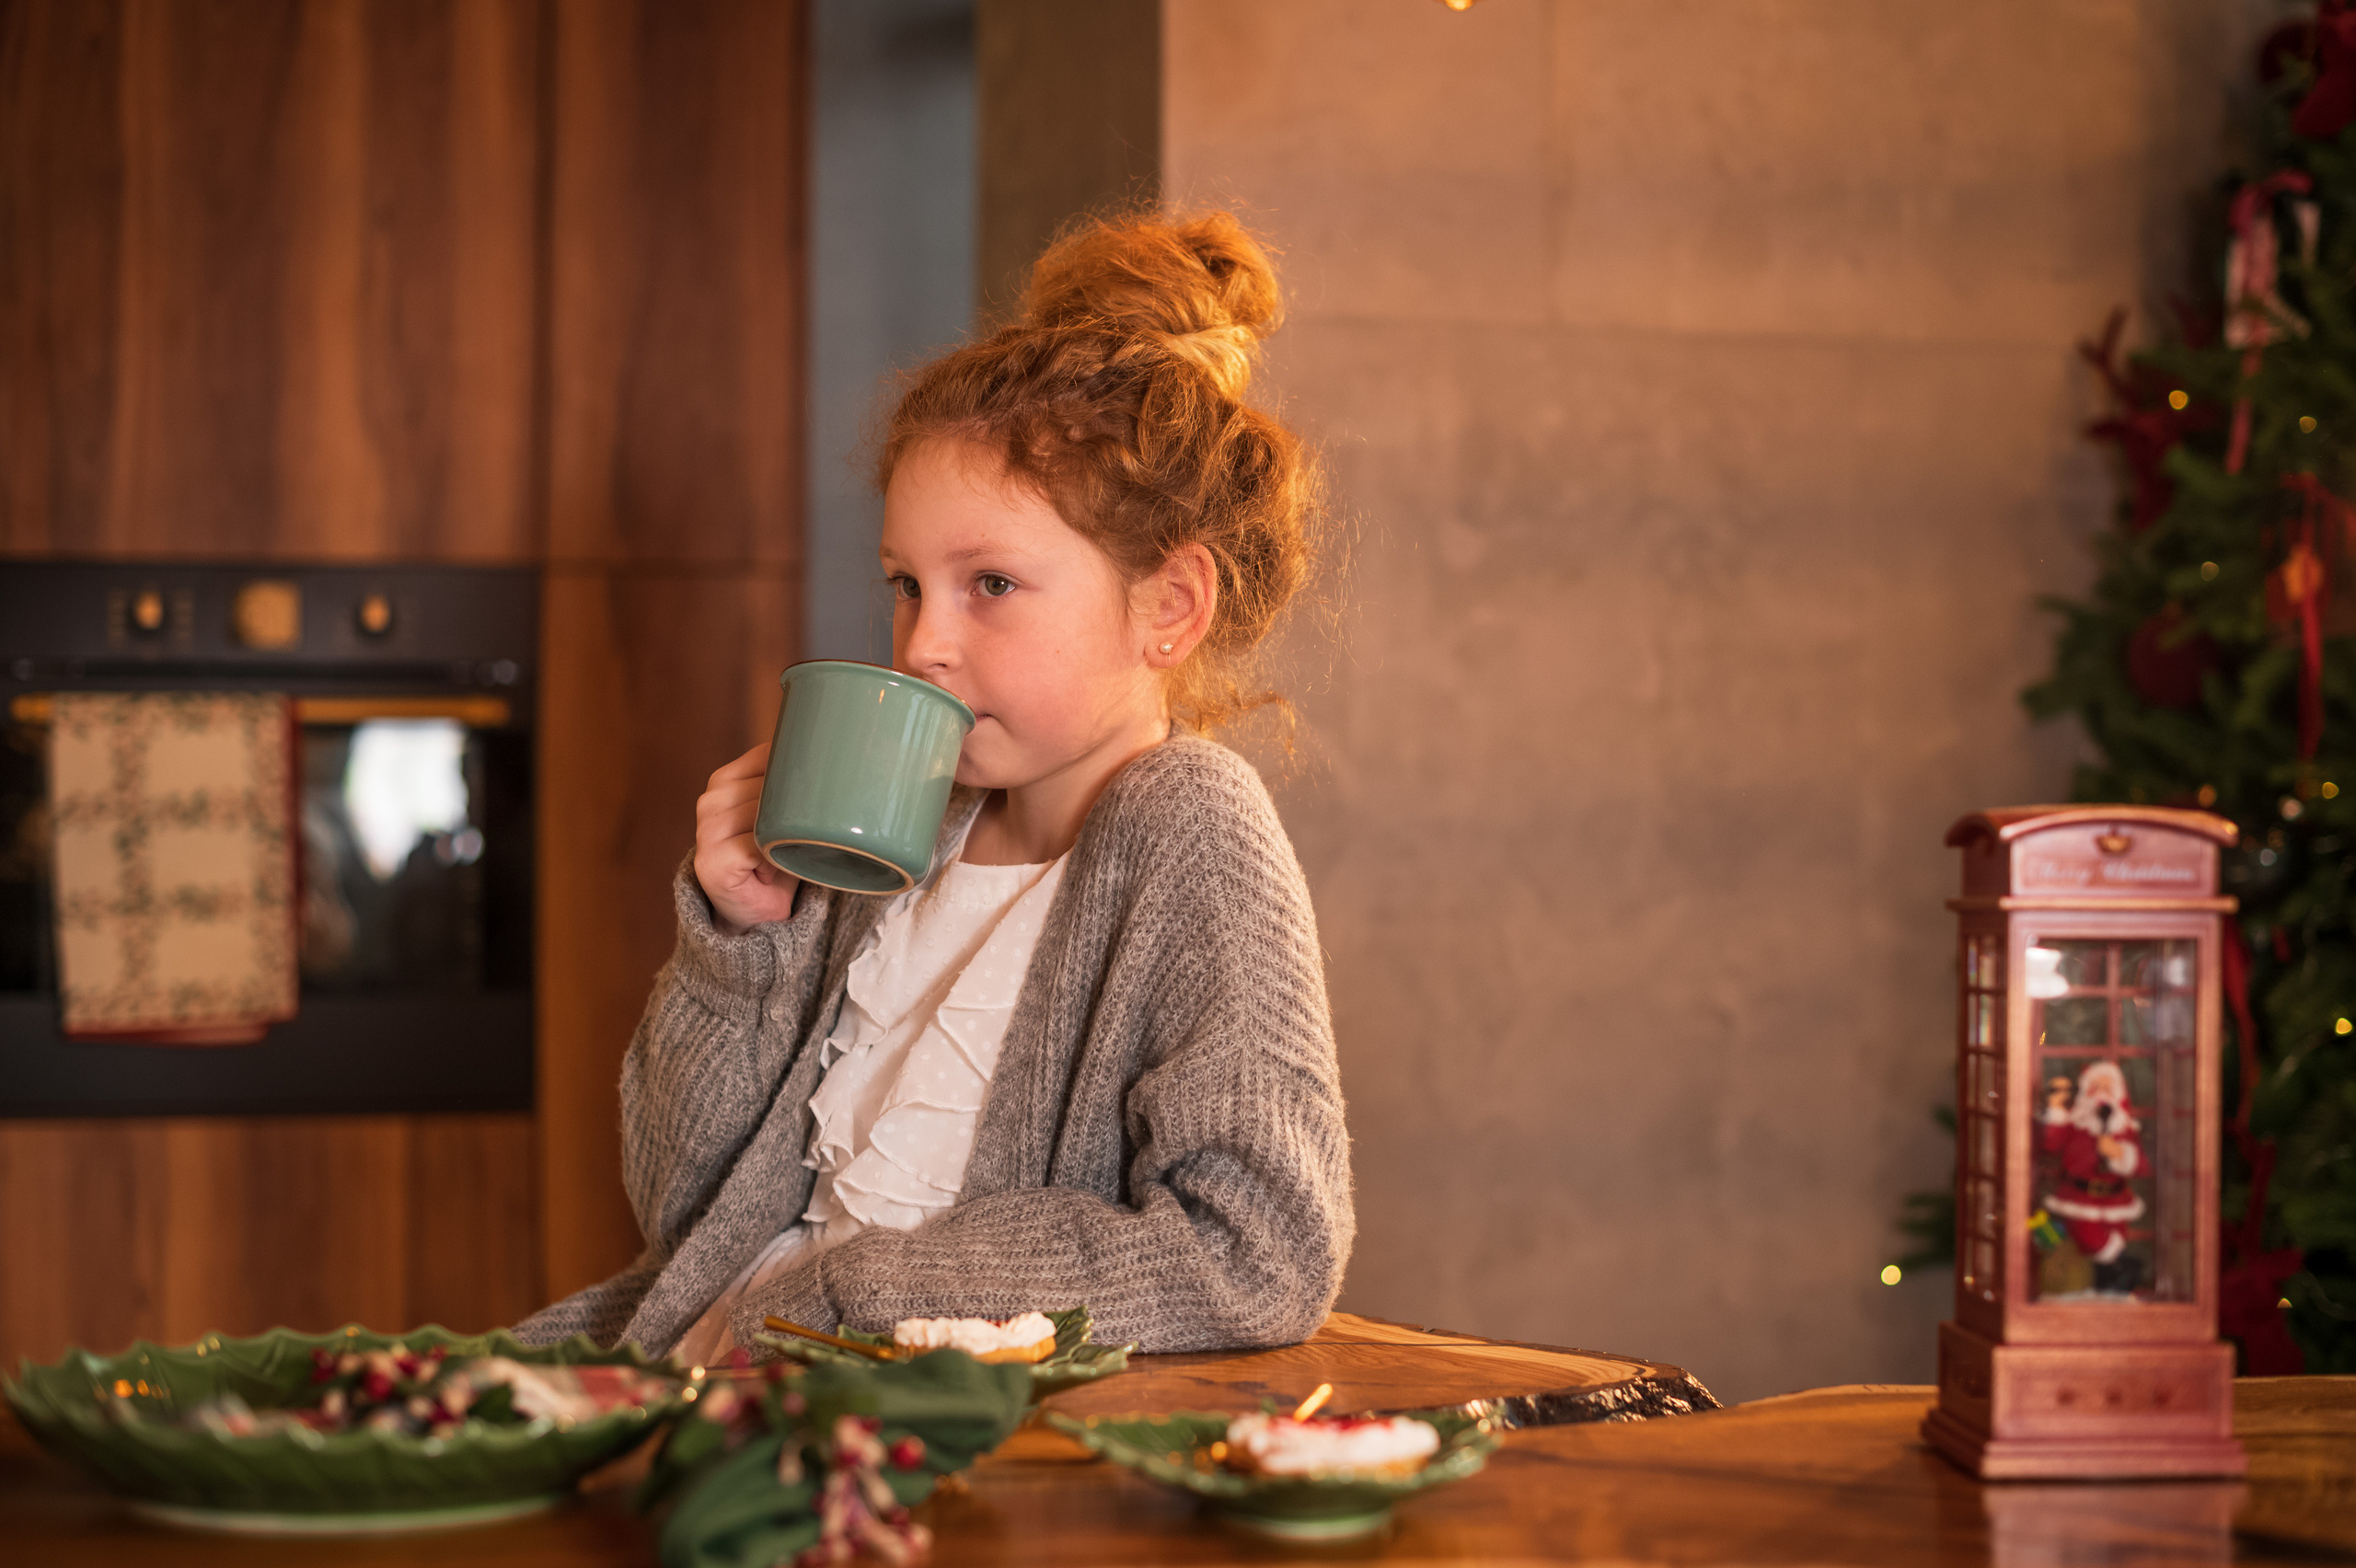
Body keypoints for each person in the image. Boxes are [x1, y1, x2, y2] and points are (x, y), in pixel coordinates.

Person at [514, 212, 1353, 1363]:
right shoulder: (904, 826)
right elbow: (683, 1213)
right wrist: (735, 948)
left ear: (1168, 608)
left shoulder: (1188, 827)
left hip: (925, 1443)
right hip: (719, 1376)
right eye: (908, 585)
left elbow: (1258, 1254)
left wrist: (860, 1291)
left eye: (991, 584)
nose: (921, 647)